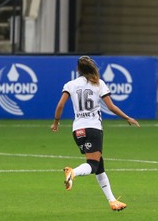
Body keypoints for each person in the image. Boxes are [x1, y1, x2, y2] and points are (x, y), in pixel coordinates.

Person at [50, 56, 140, 211]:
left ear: (78, 69)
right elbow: (111, 107)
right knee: (93, 164)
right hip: (93, 129)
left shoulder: (70, 84)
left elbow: (60, 105)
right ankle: (73, 172)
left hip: (77, 130)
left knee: (100, 167)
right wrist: (127, 117)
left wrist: (56, 122)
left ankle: (112, 201)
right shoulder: (99, 84)